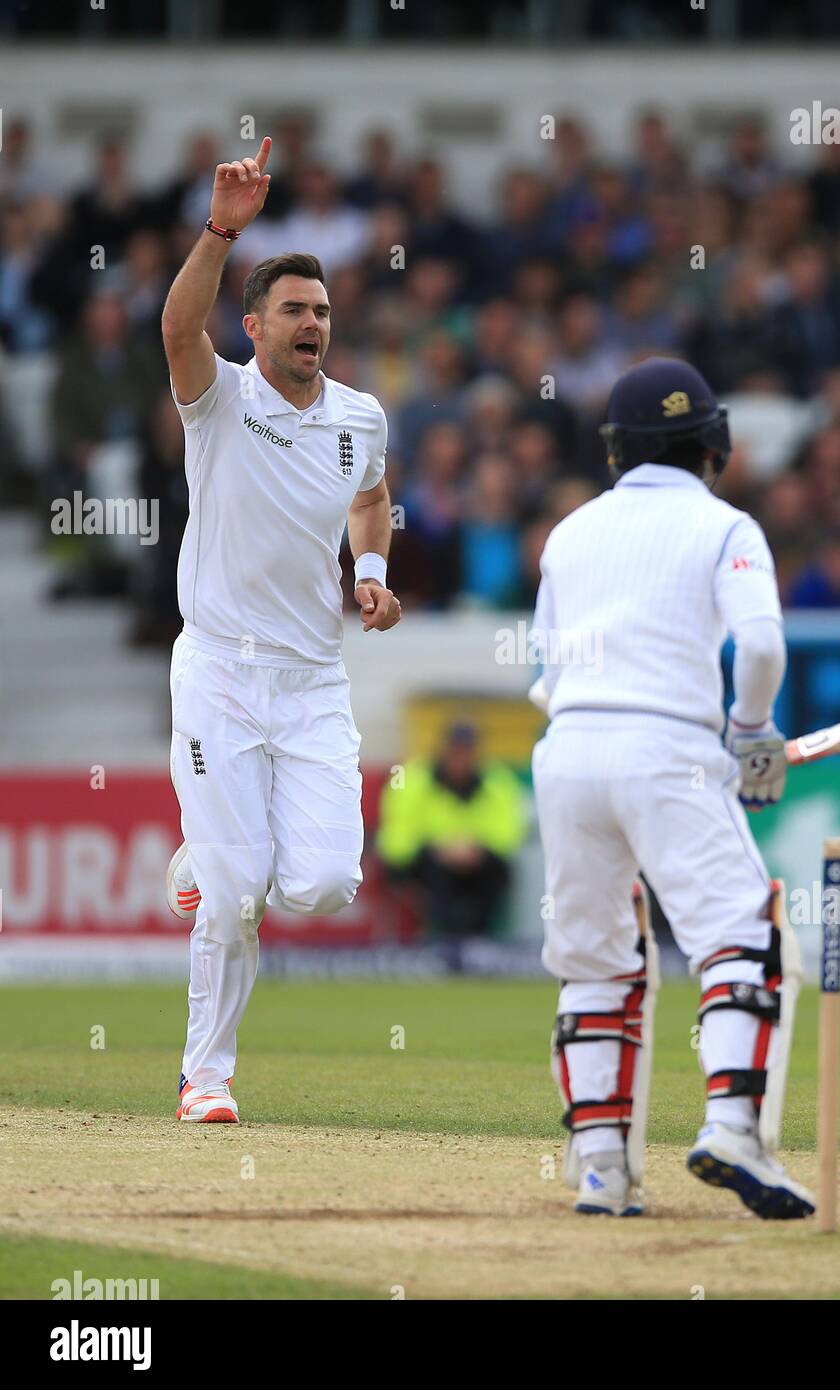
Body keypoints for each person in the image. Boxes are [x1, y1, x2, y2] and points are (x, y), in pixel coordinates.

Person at [530, 357, 813, 1220]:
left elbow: (544, 673)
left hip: (567, 749)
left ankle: (602, 1173)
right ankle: (732, 1127)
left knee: (595, 960)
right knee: (741, 937)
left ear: (616, 451)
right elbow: (760, 649)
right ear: (714, 441)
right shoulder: (727, 528)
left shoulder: (569, 532)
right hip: (671, 751)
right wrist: (754, 732)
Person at [160, 138, 401, 1123]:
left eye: (324, 312)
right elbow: (176, 329)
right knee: (237, 890)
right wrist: (220, 231)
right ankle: (205, 1077)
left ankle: (194, 859)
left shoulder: (360, 417)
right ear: (254, 325)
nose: (314, 324)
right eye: (296, 311)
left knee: (326, 881)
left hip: (311, 680)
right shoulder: (219, 400)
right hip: (218, 669)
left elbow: (372, 500)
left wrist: (375, 572)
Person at [376, 722, 528, 968]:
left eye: (466, 751)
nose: (461, 758)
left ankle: (480, 946)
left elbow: (509, 834)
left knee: (496, 871)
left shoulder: (498, 781)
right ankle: (441, 945)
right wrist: (438, 849)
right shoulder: (413, 778)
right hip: (426, 862)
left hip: (478, 861)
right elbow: (395, 837)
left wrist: (473, 849)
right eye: (456, 750)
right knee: (437, 875)